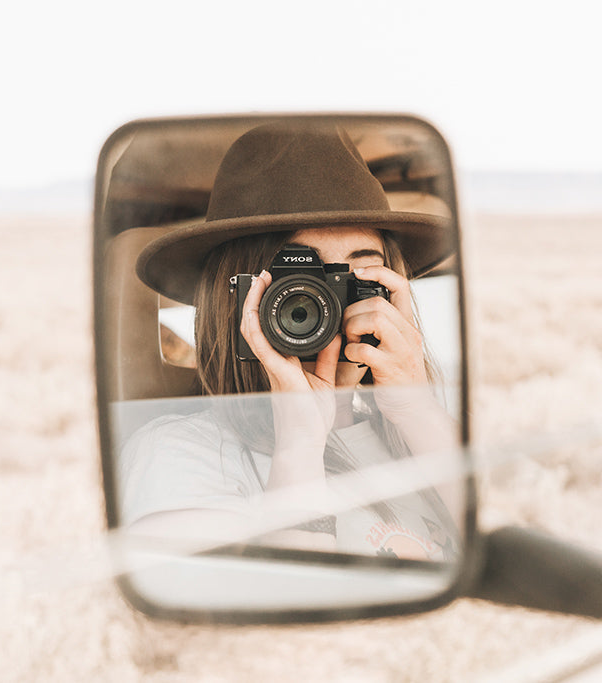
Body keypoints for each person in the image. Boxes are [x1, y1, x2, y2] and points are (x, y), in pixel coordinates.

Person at [117, 122, 461, 560]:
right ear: (238, 300)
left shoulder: (419, 433)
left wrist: (415, 405)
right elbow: (251, 613)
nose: (329, 306)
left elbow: (503, 547)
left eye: (360, 276)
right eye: (302, 284)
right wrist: (299, 443)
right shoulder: (178, 454)